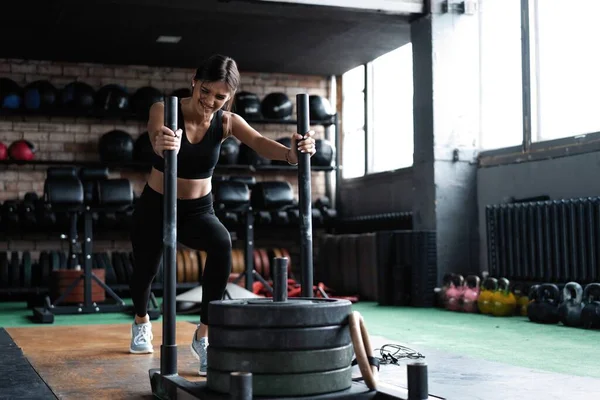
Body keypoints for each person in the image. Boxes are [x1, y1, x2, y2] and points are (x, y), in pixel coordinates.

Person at [127, 54, 317, 376]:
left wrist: (291, 154)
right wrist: (162, 143)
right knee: (146, 270)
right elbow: (155, 136)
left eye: (220, 97)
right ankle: (142, 321)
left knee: (222, 244)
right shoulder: (165, 109)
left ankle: (204, 334)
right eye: (205, 91)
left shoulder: (227, 121)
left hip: (199, 210)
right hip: (155, 205)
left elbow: (258, 142)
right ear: (194, 81)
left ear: (229, 97)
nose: (210, 101)